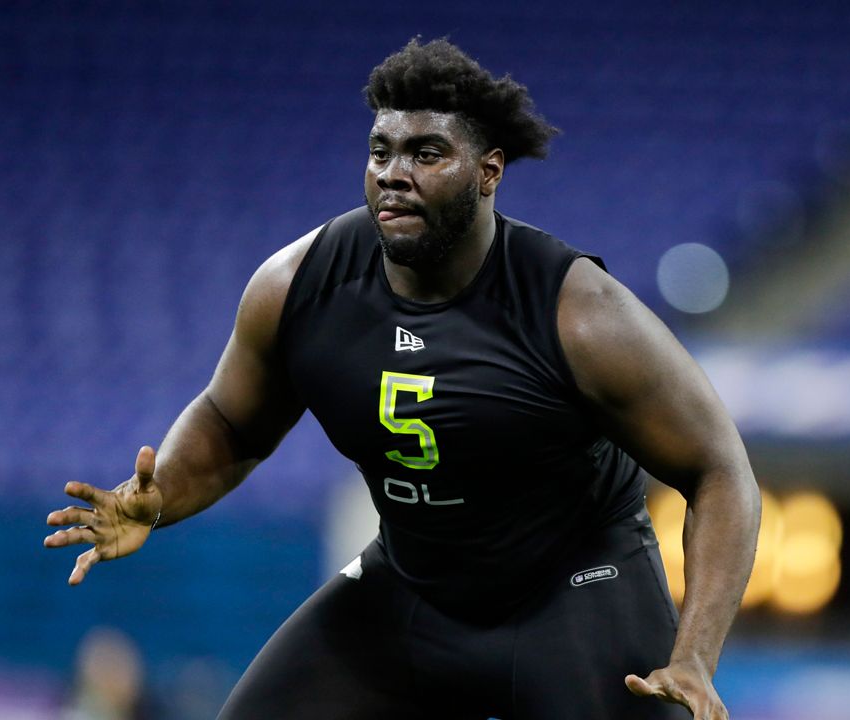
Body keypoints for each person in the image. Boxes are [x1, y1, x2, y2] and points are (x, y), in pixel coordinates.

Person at [44, 38, 760, 720]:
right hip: (414, 588)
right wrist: (161, 492)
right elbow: (233, 422)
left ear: (489, 172)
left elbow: (720, 470)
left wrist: (695, 655)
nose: (394, 172)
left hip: (573, 595)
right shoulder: (298, 285)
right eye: (381, 151)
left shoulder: (579, 313)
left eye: (427, 153)